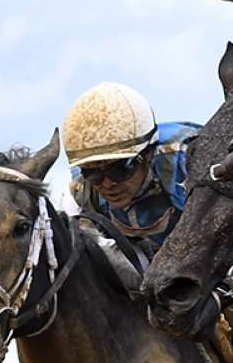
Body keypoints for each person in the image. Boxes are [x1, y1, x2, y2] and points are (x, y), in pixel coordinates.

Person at [62, 82, 199, 260]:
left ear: (147, 153)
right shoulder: (78, 190)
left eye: (119, 169)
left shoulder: (189, 158)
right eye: (93, 173)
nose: (108, 184)